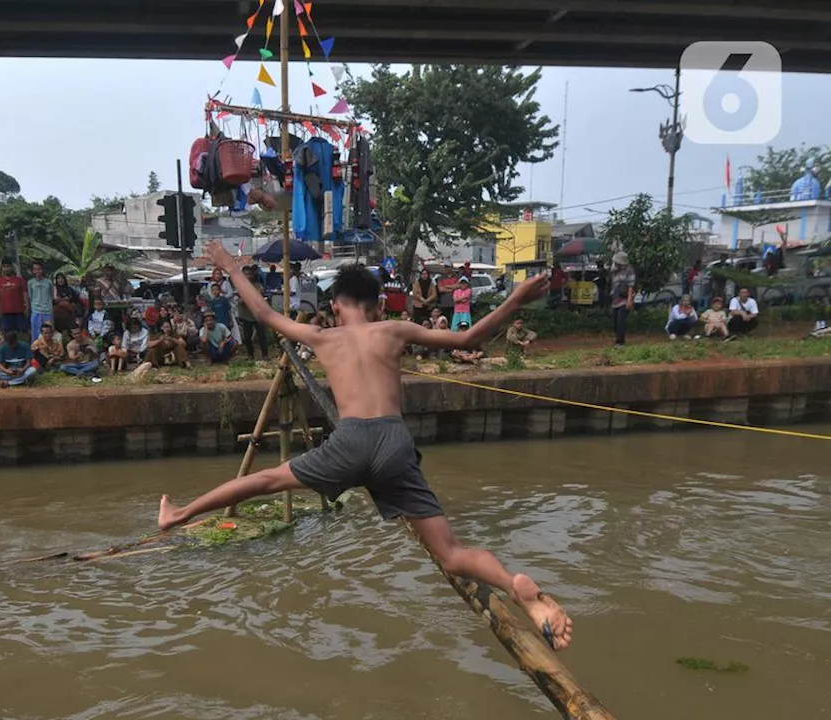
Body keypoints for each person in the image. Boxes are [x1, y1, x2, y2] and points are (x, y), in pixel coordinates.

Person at [157, 241, 572, 651]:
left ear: (336, 306)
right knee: (452, 553)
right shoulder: (395, 329)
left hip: (350, 440)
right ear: (376, 308)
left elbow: (263, 313)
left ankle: (179, 513)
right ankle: (516, 589)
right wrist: (515, 298)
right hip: (395, 442)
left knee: (265, 480)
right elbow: (468, 340)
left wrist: (230, 264)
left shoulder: (322, 336)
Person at [0, 260, 31, 336]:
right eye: (4, 267)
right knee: (7, 333)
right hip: (5, 312)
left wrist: (27, 307)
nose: (6, 269)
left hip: (19, 311)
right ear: (1, 269)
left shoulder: (20, 280)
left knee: (23, 332)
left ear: (12, 268)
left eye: (8, 266)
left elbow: (25, 294)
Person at [610, 252, 636, 346]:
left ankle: (620, 342)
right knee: (615, 322)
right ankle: (618, 339)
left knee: (621, 321)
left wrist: (629, 300)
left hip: (624, 300)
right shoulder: (616, 271)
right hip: (615, 299)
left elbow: (630, 286)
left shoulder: (629, 270)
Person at [27, 261, 54, 335]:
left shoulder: (49, 282)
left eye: (39, 269)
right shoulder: (30, 282)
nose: (37, 271)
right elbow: (30, 297)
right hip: (36, 311)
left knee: (48, 333)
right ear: (32, 271)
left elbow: (51, 295)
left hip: (47, 311)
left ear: (42, 270)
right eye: (35, 269)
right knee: (36, 333)